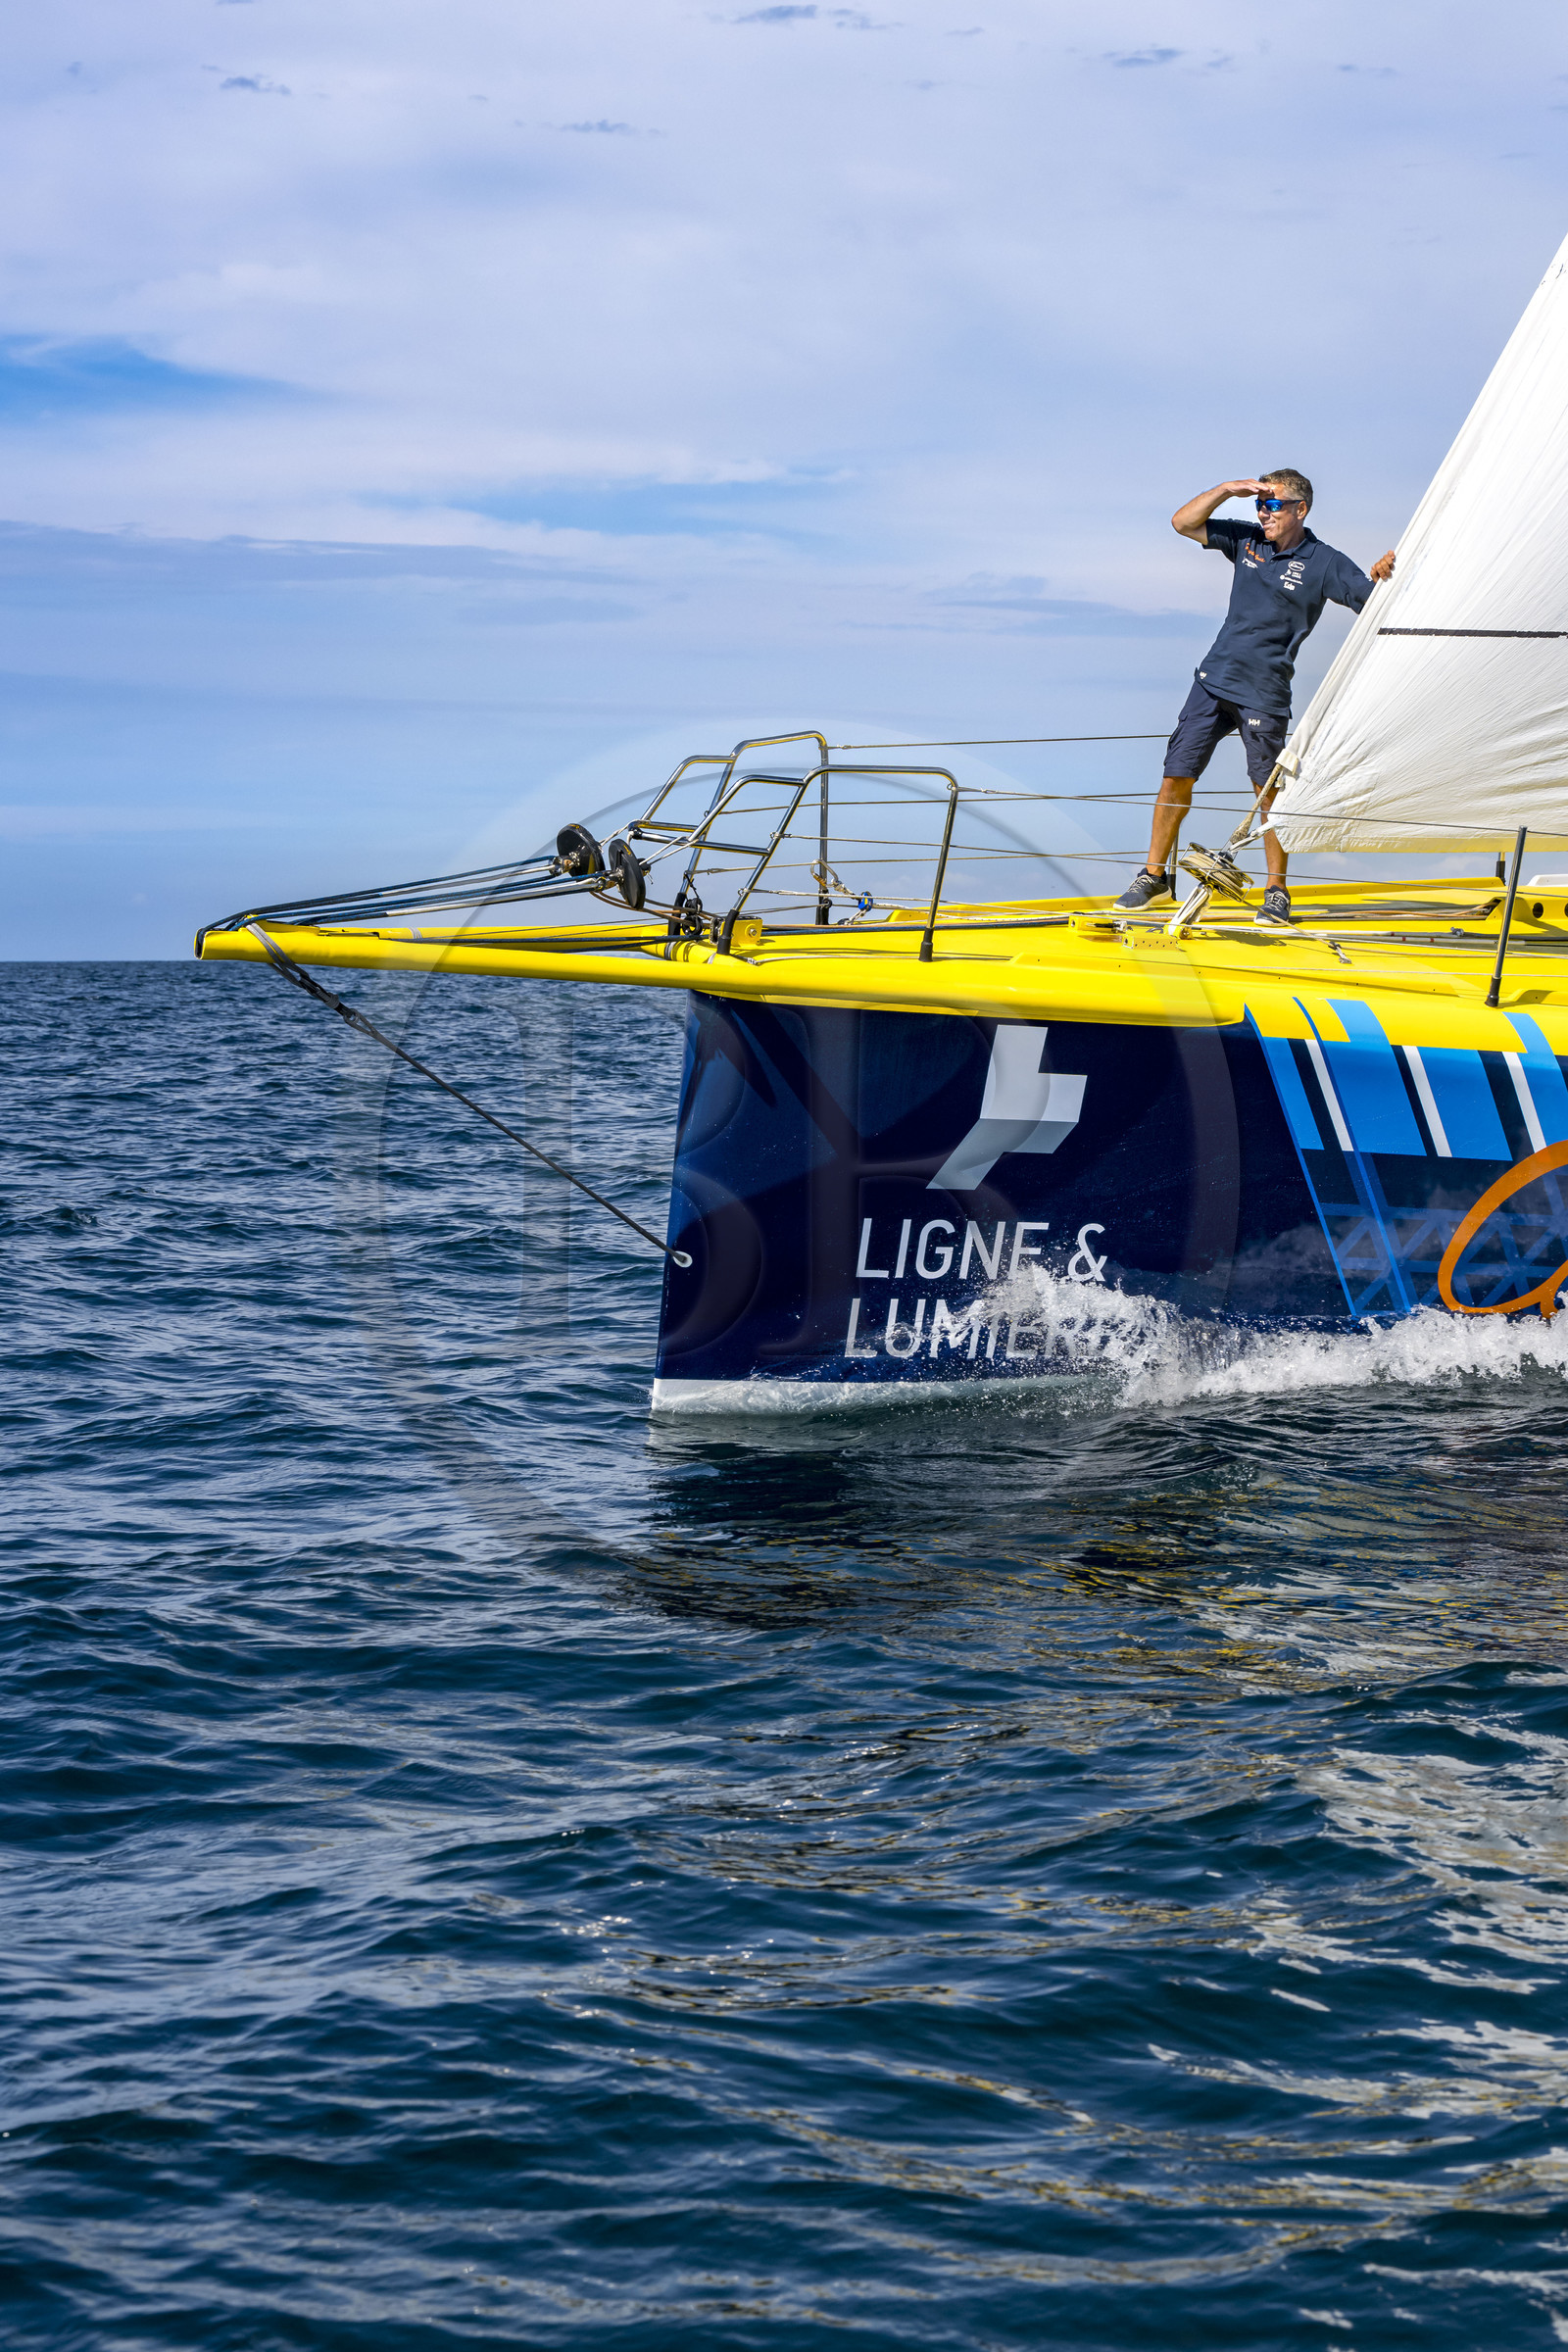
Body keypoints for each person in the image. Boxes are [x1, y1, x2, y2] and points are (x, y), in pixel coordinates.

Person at [1115, 471, 1396, 922]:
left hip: (1265, 692)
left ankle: (1277, 891)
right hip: (1212, 680)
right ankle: (1154, 877)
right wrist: (1229, 490)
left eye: (1274, 505)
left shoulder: (1325, 561)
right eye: (1260, 505)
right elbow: (1183, 523)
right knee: (1175, 776)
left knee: (1269, 794)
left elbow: (1374, 603)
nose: (1263, 513)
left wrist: (1382, 577)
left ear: (1300, 509)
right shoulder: (1248, 540)